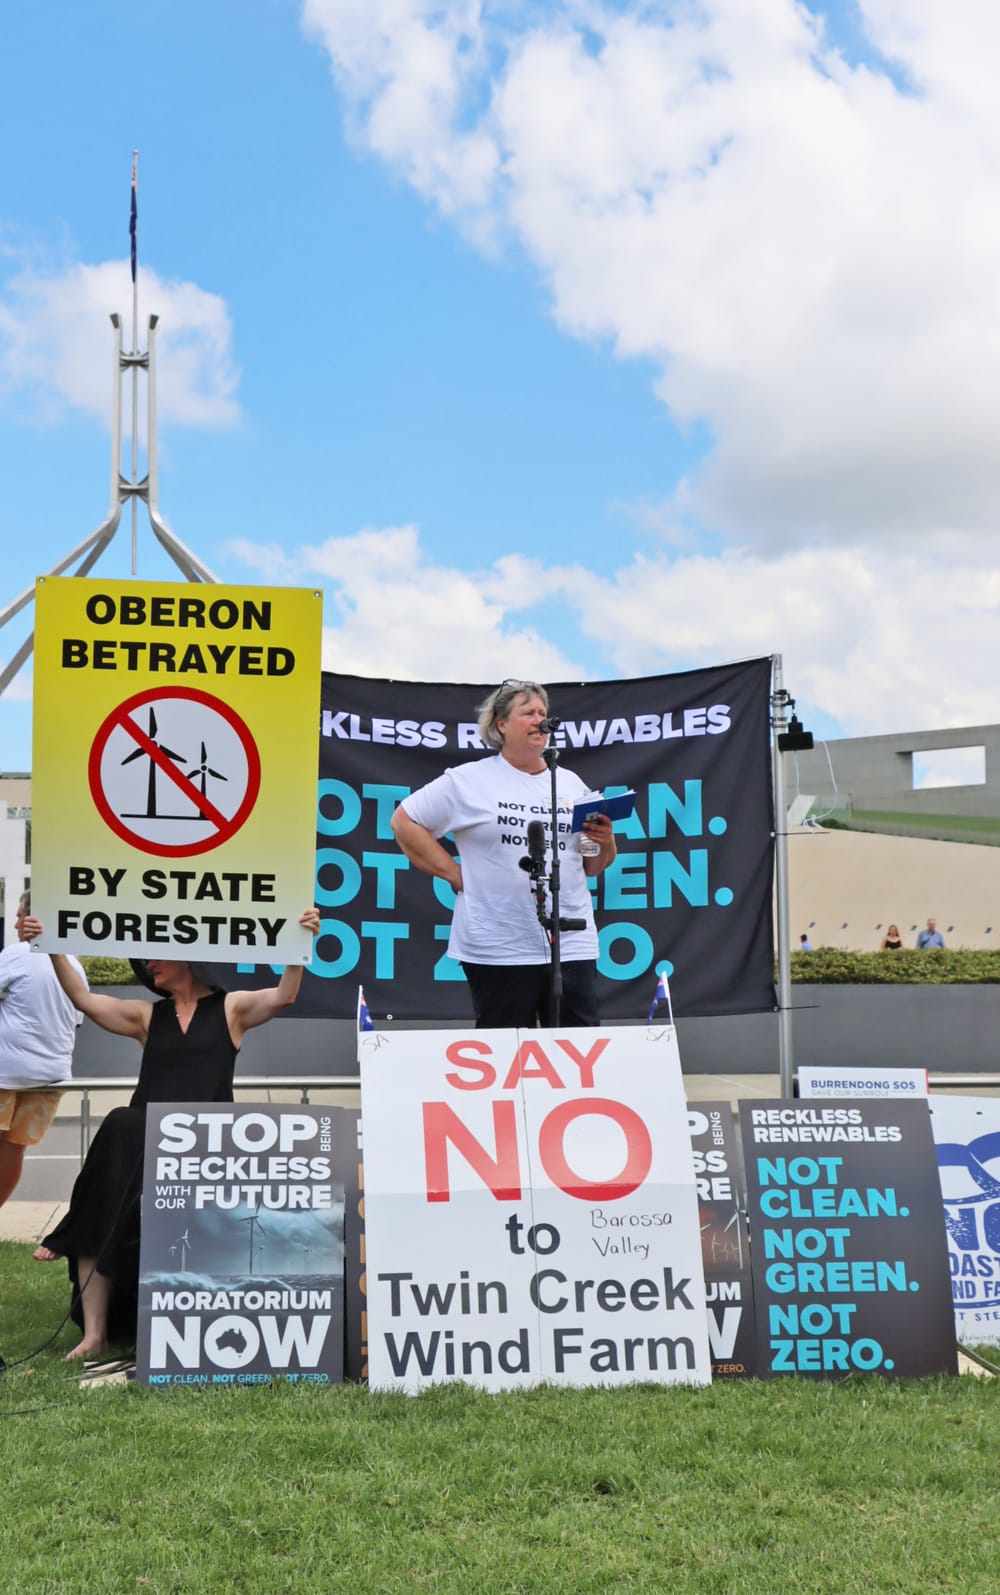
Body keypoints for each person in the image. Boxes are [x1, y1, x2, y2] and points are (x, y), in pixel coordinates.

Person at [23, 907, 320, 1362]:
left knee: (122, 1126)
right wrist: (52, 947)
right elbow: (82, 998)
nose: (149, 965)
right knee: (113, 1161)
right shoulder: (146, 1016)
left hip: (206, 1150)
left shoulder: (231, 1008)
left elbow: (285, 995)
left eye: (156, 956)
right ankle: (95, 1335)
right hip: (142, 1143)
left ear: (188, 959)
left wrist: (301, 941)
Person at [391, 679, 617, 1028]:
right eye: (528, 713)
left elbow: (592, 866)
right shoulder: (468, 780)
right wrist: (453, 873)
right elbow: (404, 821)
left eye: (543, 712)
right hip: (498, 944)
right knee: (506, 1048)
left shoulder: (571, 783)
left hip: (571, 941)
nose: (540, 720)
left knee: (577, 1046)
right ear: (501, 725)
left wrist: (605, 841)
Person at [0, 891, 87, 1209]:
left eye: (19, 916)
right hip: (51, 1075)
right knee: (14, 1148)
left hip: (5, 1071)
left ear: (34, 918)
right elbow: (77, 1020)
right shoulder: (74, 965)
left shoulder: (15, 954)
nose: (15, 924)